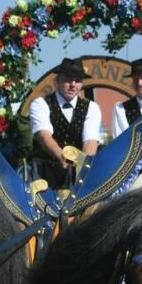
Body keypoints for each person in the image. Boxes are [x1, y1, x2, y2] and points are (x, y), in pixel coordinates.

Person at [28, 57, 101, 189]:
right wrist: (62, 157)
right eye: (68, 79)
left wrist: (83, 168)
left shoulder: (92, 107)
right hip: (45, 172)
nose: (73, 84)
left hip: (77, 174)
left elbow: (90, 141)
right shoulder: (40, 104)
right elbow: (44, 136)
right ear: (57, 81)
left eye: (78, 80)